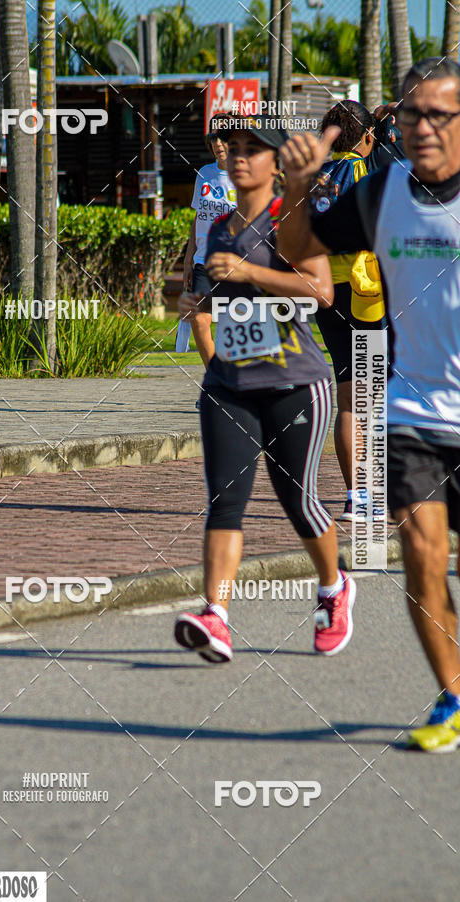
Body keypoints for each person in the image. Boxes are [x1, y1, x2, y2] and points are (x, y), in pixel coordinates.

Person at [278, 57, 460, 752]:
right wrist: (297, 188)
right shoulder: (383, 193)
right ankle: (452, 694)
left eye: (438, 115)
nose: (420, 128)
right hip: (414, 408)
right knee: (419, 549)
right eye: (409, 114)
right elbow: (303, 249)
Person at [173, 116, 357, 662]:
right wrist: (194, 305)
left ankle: (333, 587)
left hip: (294, 384)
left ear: (277, 165)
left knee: (298, 501)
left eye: (254, 150)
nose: (239, 156)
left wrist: (252, 276)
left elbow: (320, 291)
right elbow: (211, 293)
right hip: (231, 383)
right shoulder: (222, 227)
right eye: (234, 148)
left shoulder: (291, 218)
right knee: (225, 503)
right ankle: (217, 616)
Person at [310, 101, 393, 522]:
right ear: (365, 136)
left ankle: (355, 497)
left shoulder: (316, 177)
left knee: (347, 396)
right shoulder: (366, 173)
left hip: (325, 291)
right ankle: (377, 492)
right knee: (373, 398)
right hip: (366, 292)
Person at [176, 127, 237, 369]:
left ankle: (234, 386)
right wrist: (188, 260)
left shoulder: (244, 174)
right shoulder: (204, 173)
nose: (218, 144)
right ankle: (216, 379)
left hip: (235, 262)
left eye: (223, 139)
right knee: (199, 320)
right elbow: (198, 218)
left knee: (232, 327)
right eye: (214, 140)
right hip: (203, 261)